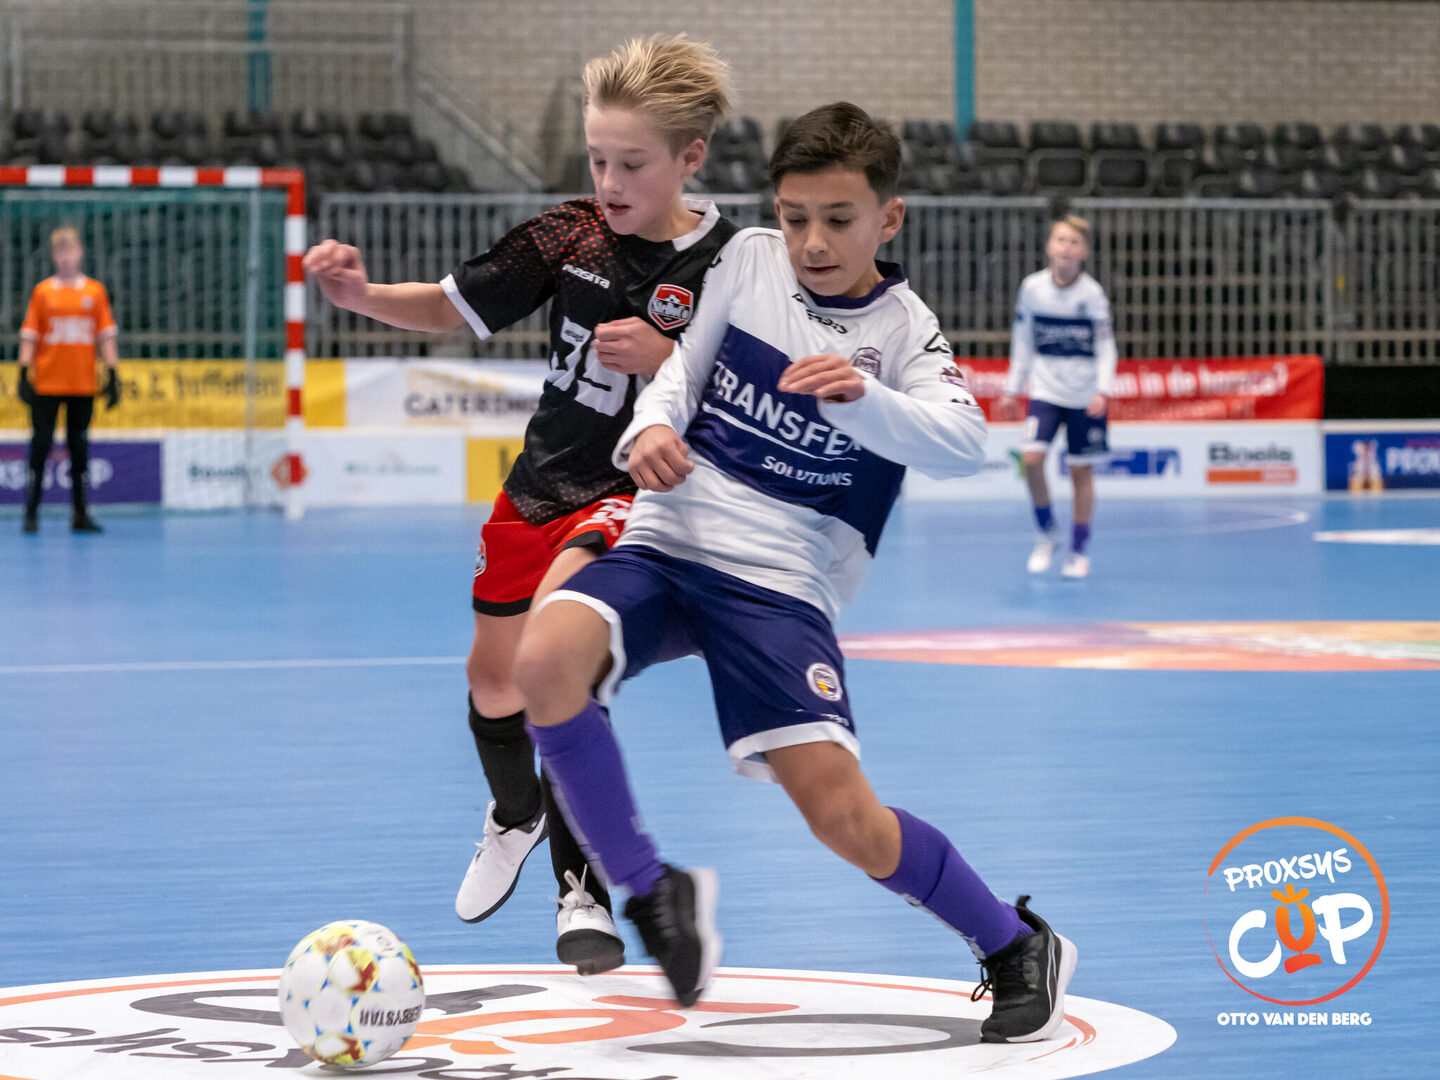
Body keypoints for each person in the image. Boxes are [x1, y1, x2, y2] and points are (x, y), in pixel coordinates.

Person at [514, 102, 1077, 1043]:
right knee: (543, 661)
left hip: (779, 586)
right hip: (669, 540)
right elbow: (681, 372)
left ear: (889, 218)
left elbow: (964, 444)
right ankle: (651, 894)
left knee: (843, 820)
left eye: (838, 220)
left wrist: (865, 399)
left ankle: (1014, 942)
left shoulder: (905, 332)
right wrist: (651, 427)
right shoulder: (747, 261)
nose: (812, 241)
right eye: (795, 216)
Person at [302, 34, 738, 975]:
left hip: (630, 497)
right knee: (493, 682)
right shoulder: (567, 234)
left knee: (556, 664)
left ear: (690, 158)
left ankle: (583, 892)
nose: (609, 181)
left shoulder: (732, 264)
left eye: (632, 163)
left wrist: (673, 359)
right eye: (597, 160)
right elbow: (449, 306)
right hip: (538, 486)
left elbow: (761, 392)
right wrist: (360, 295)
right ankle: (515, 813)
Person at [997, 215, 1117, 579]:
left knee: (1081, 471)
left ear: (1084, 251)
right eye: (1061, 240)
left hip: (1084, 396)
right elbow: (1023, 340)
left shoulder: (1092, 294)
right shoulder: (1032, 288)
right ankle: (1047, 533)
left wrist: (1103, 390)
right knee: (1032, 460)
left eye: (1074, 242)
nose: (1066, 247)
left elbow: (1106, 346)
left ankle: (1079, 550)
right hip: (1045, 391)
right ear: (1049, 247)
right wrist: (1013, 387)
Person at [17, 225, 121, 534]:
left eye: (70, 251)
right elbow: (29, 334)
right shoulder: (43, 292)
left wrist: (113, 373)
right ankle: (31, 512)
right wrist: (23, 372)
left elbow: (106, 335)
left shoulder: (94, 292)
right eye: (59, 252)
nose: (65, 257)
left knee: (80, 448)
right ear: (53, 256)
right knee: (40, 445)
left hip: (82, 384)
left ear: (80, 253)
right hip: (47, 384)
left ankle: (80, 514)